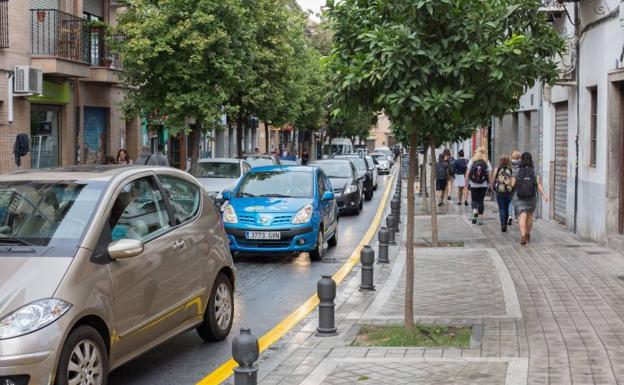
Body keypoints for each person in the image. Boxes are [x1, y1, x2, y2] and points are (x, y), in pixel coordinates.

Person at [512, 152, 548, 245]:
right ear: (531, 159)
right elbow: (538, 184)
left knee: (522, 216)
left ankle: (523, 235)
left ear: (522, 160)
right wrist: (544, 195)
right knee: (529, 216)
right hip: (531, 197)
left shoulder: (517, 170)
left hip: (519, 196)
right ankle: (528, 234)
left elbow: (512, 184)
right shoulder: (534, 171)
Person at [465, 147, 492, 225]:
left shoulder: (472, 160)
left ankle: (474, 212)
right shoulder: (486, 161)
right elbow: (489, 173)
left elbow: (467, 173)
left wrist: (466, 183)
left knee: (474, 200)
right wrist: (490, 183)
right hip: (483, 184)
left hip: (473, 184)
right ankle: (480, 219)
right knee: (481, 201)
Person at [492, 156, 515, 232]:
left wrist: (491, 186)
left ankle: (503, 225)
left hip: (499, 191)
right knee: (506, 208)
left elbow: (493, 179)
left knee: (501, 208)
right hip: (508, 192)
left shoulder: (497, 169)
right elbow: (512, 181)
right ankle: (505, 223)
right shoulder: (511, 170)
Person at [508, 150, 522, 225]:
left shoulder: (509, 163)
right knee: (517, 200)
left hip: (510, 183)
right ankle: (516, 217)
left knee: (510, 201)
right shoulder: (521, 164)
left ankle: (510, 216)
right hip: (518, 184)